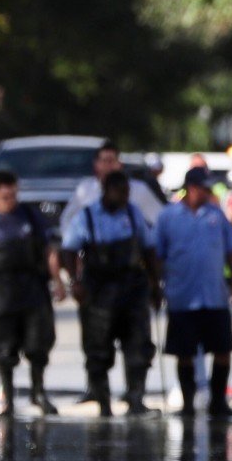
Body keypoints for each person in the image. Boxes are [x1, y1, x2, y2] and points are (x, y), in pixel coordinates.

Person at [0, 169, 65, 417]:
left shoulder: (29, 215)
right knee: (3, 348)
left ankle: (38, 393)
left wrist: (57, 280)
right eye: (3, 192)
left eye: (12, 192)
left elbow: (49, 250)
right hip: (0, 292)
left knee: (38, 344)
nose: (9, 197)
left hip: (32, 289)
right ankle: (7, 397)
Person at [62, 168, 162, 417]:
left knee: (139, 345)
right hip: (99, 290)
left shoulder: (133, 212)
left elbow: (149, 249)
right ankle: (103, 402)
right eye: (122, 192)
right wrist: (75, 281)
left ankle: (136, 398)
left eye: (128, 192)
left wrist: (155, 285)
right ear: (108, 191)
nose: (126, 197)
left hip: (132, 288)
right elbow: (68, 250)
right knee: (97, 348)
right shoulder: (87, 216)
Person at [156, 166, 232, 419]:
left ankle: (218, 402)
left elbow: (231, 252)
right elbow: (157, 256)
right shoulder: (168, 217)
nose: (207, 193)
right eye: (204, 188)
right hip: (182, 297)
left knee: (222, 350)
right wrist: (156, 285)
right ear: (192, 188)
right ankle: (187, 404)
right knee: (184, 353)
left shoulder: (215, 215)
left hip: (214, 296)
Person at [62, 139, 164, 230]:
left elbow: (160, 220)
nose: (108, 166)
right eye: (104, 161)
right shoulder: (85, 190)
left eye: (112, 161)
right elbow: (67, 220)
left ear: (120, 164)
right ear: (96, 165)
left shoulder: (139, 190)